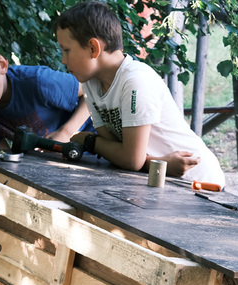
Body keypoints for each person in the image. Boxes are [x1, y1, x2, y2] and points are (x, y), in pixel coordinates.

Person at [55, 1, 225, 187]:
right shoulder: (91, 84)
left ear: (94, 48)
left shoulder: (135, 81)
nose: (63, 59)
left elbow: (129, 159)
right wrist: (158, 164)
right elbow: (117, 152)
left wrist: (89, 140)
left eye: (67, 50)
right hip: (159, 177)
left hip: (197, 182)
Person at [0, 39, 96, 150]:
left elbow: (93, 89)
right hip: (51, 160)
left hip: (94, 145)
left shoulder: (38, 82)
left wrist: (66, 132)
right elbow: (2, 154)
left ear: (2, 65)